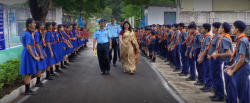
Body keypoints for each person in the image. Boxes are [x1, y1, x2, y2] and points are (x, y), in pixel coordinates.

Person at [224, 20, 250, 103]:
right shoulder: (240, 39)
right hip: (241, 67)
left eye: (232, 27)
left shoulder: (242, 41)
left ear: (237, 29)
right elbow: (239, 58)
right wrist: (231, 66)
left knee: (243, 93)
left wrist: (233, 71)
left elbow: (242, 60)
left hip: (242, 68)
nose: (231, 29)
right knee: (241, 91)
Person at [211, 22, 237, 102]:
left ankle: (231, 100)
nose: (218, 29)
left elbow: (229, 53)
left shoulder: (224, 39)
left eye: (220, 28)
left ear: (223, 30)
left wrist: (217, 55)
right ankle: (229, 99)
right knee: (228, 83)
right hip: (227, 62)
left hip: (229, 62)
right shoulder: (224, 37)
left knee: (230, 83)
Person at [19, 18, 39, 95]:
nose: (35, 24)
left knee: (29, 72)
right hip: (27, 54)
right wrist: (34, 56)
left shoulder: (29, 33)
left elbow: (31, 46)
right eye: (33, 23)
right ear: (29, 24)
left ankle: (28, 90)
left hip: (29, 53)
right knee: (28, 72)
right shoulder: (27, 34)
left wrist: (36, 53)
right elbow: (28, 47)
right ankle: (27, 91)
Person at [206, 22, 224, 100]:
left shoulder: (219, 37)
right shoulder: (215, 36)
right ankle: (216, 93)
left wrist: (211, 55)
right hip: (212, 58)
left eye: (213, 27)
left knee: (217, 76)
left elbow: (217, 49)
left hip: (216, 59)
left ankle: (220, 95)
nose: (212, 29)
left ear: (216, 29)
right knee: (213, 76)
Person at [197, 23, 213, 92]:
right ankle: (206, 85)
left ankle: (208, 86)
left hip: (206, 56)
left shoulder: (208, 37)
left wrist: (201, 57)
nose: (201, 29)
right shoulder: (205, 36)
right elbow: (203, 48)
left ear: (206, 29)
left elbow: (206, 49)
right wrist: (200, 55)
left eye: (202, 28)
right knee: (205, 70)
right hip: (204, 55)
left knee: (208, 71)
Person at [34, 21, 47, 86]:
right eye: (42, 25)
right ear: (39, 26)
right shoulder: (36, 34)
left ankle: (38, 81)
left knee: (41, 67)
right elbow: (37, 44)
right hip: (39, 50)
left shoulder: (40, 33)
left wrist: (43, 52)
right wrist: (41, 54)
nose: (43, 26)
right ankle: (37, 82)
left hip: (41, 49)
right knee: (39, 67)